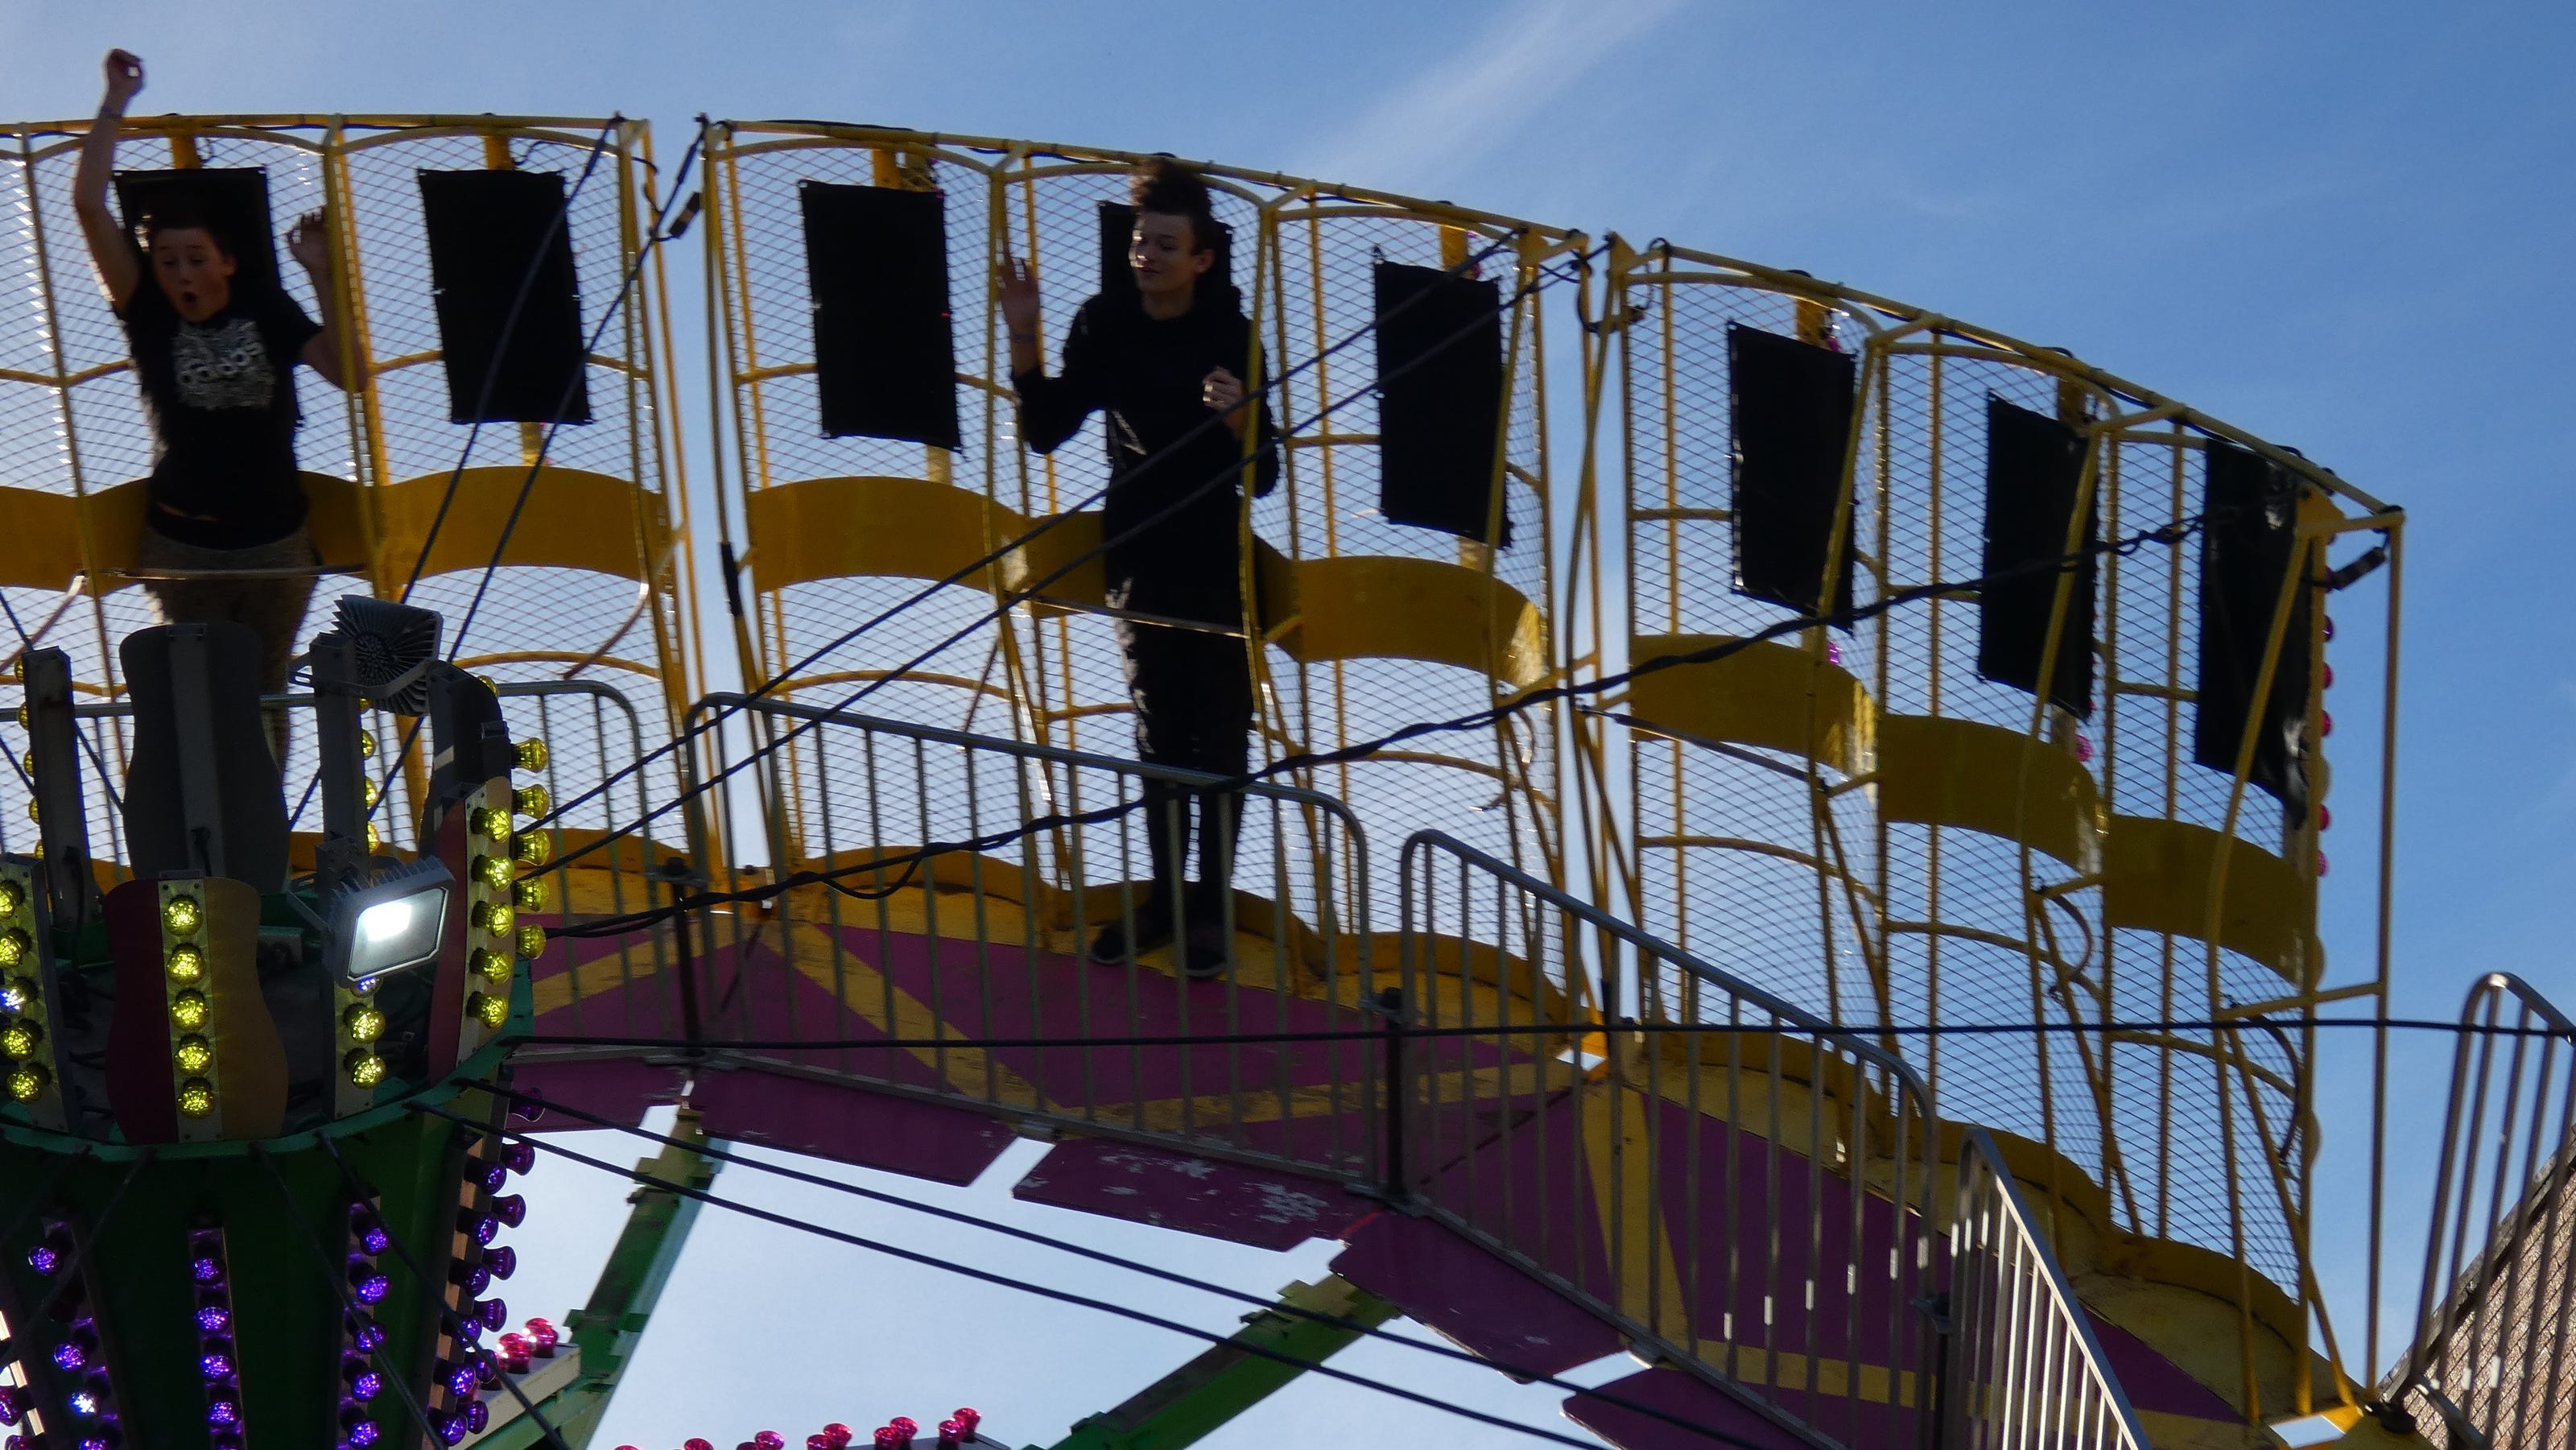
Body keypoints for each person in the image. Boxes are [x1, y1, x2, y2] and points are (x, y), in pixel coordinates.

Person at [999, 157, 1279, 980]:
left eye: (1164, 243)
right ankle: (1162, 900)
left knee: (1220, 732)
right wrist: (1023, 334)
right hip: (1139, 550)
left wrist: (1239, 421)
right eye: (1138, 241)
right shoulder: (1105, 323)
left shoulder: (1233, 336)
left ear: (1202, 257)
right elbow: (1048, 429)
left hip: (1216, 555)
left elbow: (1265, 475)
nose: (1144, 255)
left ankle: (1209, 908)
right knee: (1160, 729)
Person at [73, 48, 353, 766]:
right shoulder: (149, 315)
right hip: (184, 547)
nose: (183, 275)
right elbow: (88, 204)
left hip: (273, 546)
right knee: (191, 697)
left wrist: (321, 274)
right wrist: (114, 101)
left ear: (225, 260)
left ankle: (261, 845)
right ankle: (194, 845)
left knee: (264, 697)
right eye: (168, 262)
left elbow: (347, 374)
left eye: (195, 258)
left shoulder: (266, 305)